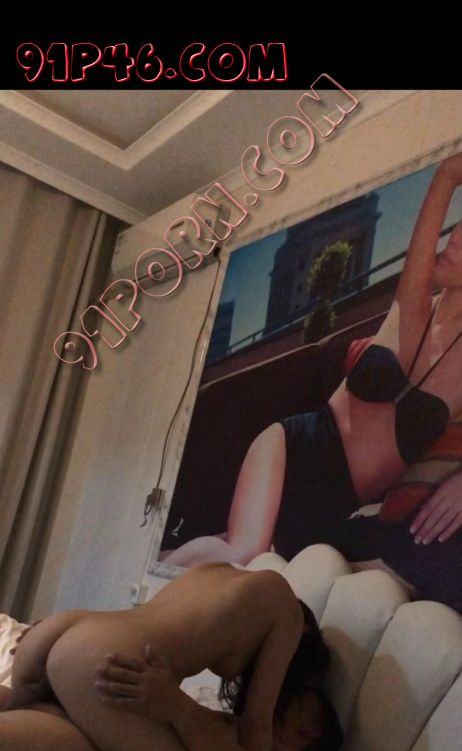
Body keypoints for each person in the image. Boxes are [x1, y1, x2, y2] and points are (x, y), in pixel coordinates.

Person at [161, 153, 462, 583]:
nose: (452, 240)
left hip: (335, 503)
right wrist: (449, 174)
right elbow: (445, 179)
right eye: (456, 231)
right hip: (294, 445)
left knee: (248, 555)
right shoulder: (411, 308)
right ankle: (142, 591)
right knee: (244, 550)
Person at [0, 561, 342, 751]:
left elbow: (165, 644)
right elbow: (257, 728)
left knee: (30, 714)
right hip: (106, 656)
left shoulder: (217, 572)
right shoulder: (288, 616)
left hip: (65, 631)